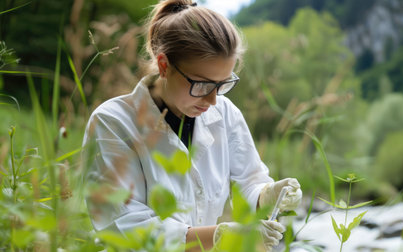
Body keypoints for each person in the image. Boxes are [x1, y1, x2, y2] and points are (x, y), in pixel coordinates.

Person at [82, 0, 302, 251]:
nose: (212, 100)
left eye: (222, 84)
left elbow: (248, 183)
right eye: (202, 85)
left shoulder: (225, 113)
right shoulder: (113, 122)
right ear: (164, 66)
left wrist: (266, 195)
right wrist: (219, 237)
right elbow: (123, 225)